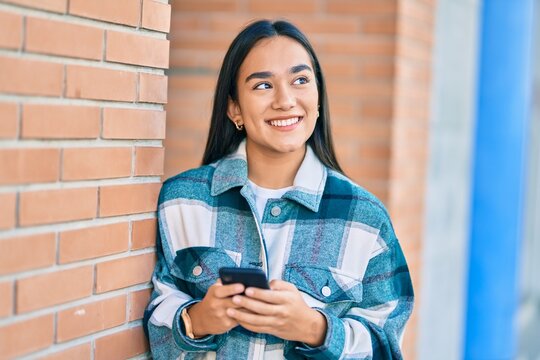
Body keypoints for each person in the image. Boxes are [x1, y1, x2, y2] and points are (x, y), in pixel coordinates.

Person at [144, 19, 413, 360]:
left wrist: (314, 328)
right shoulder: (182, 201)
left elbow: (387, 347)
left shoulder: (364, 217)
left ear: (318, 99)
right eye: (262, 86)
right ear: (234, 108)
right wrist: (198, 320)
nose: (286, 101)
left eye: (300, 80)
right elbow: (152, 332)